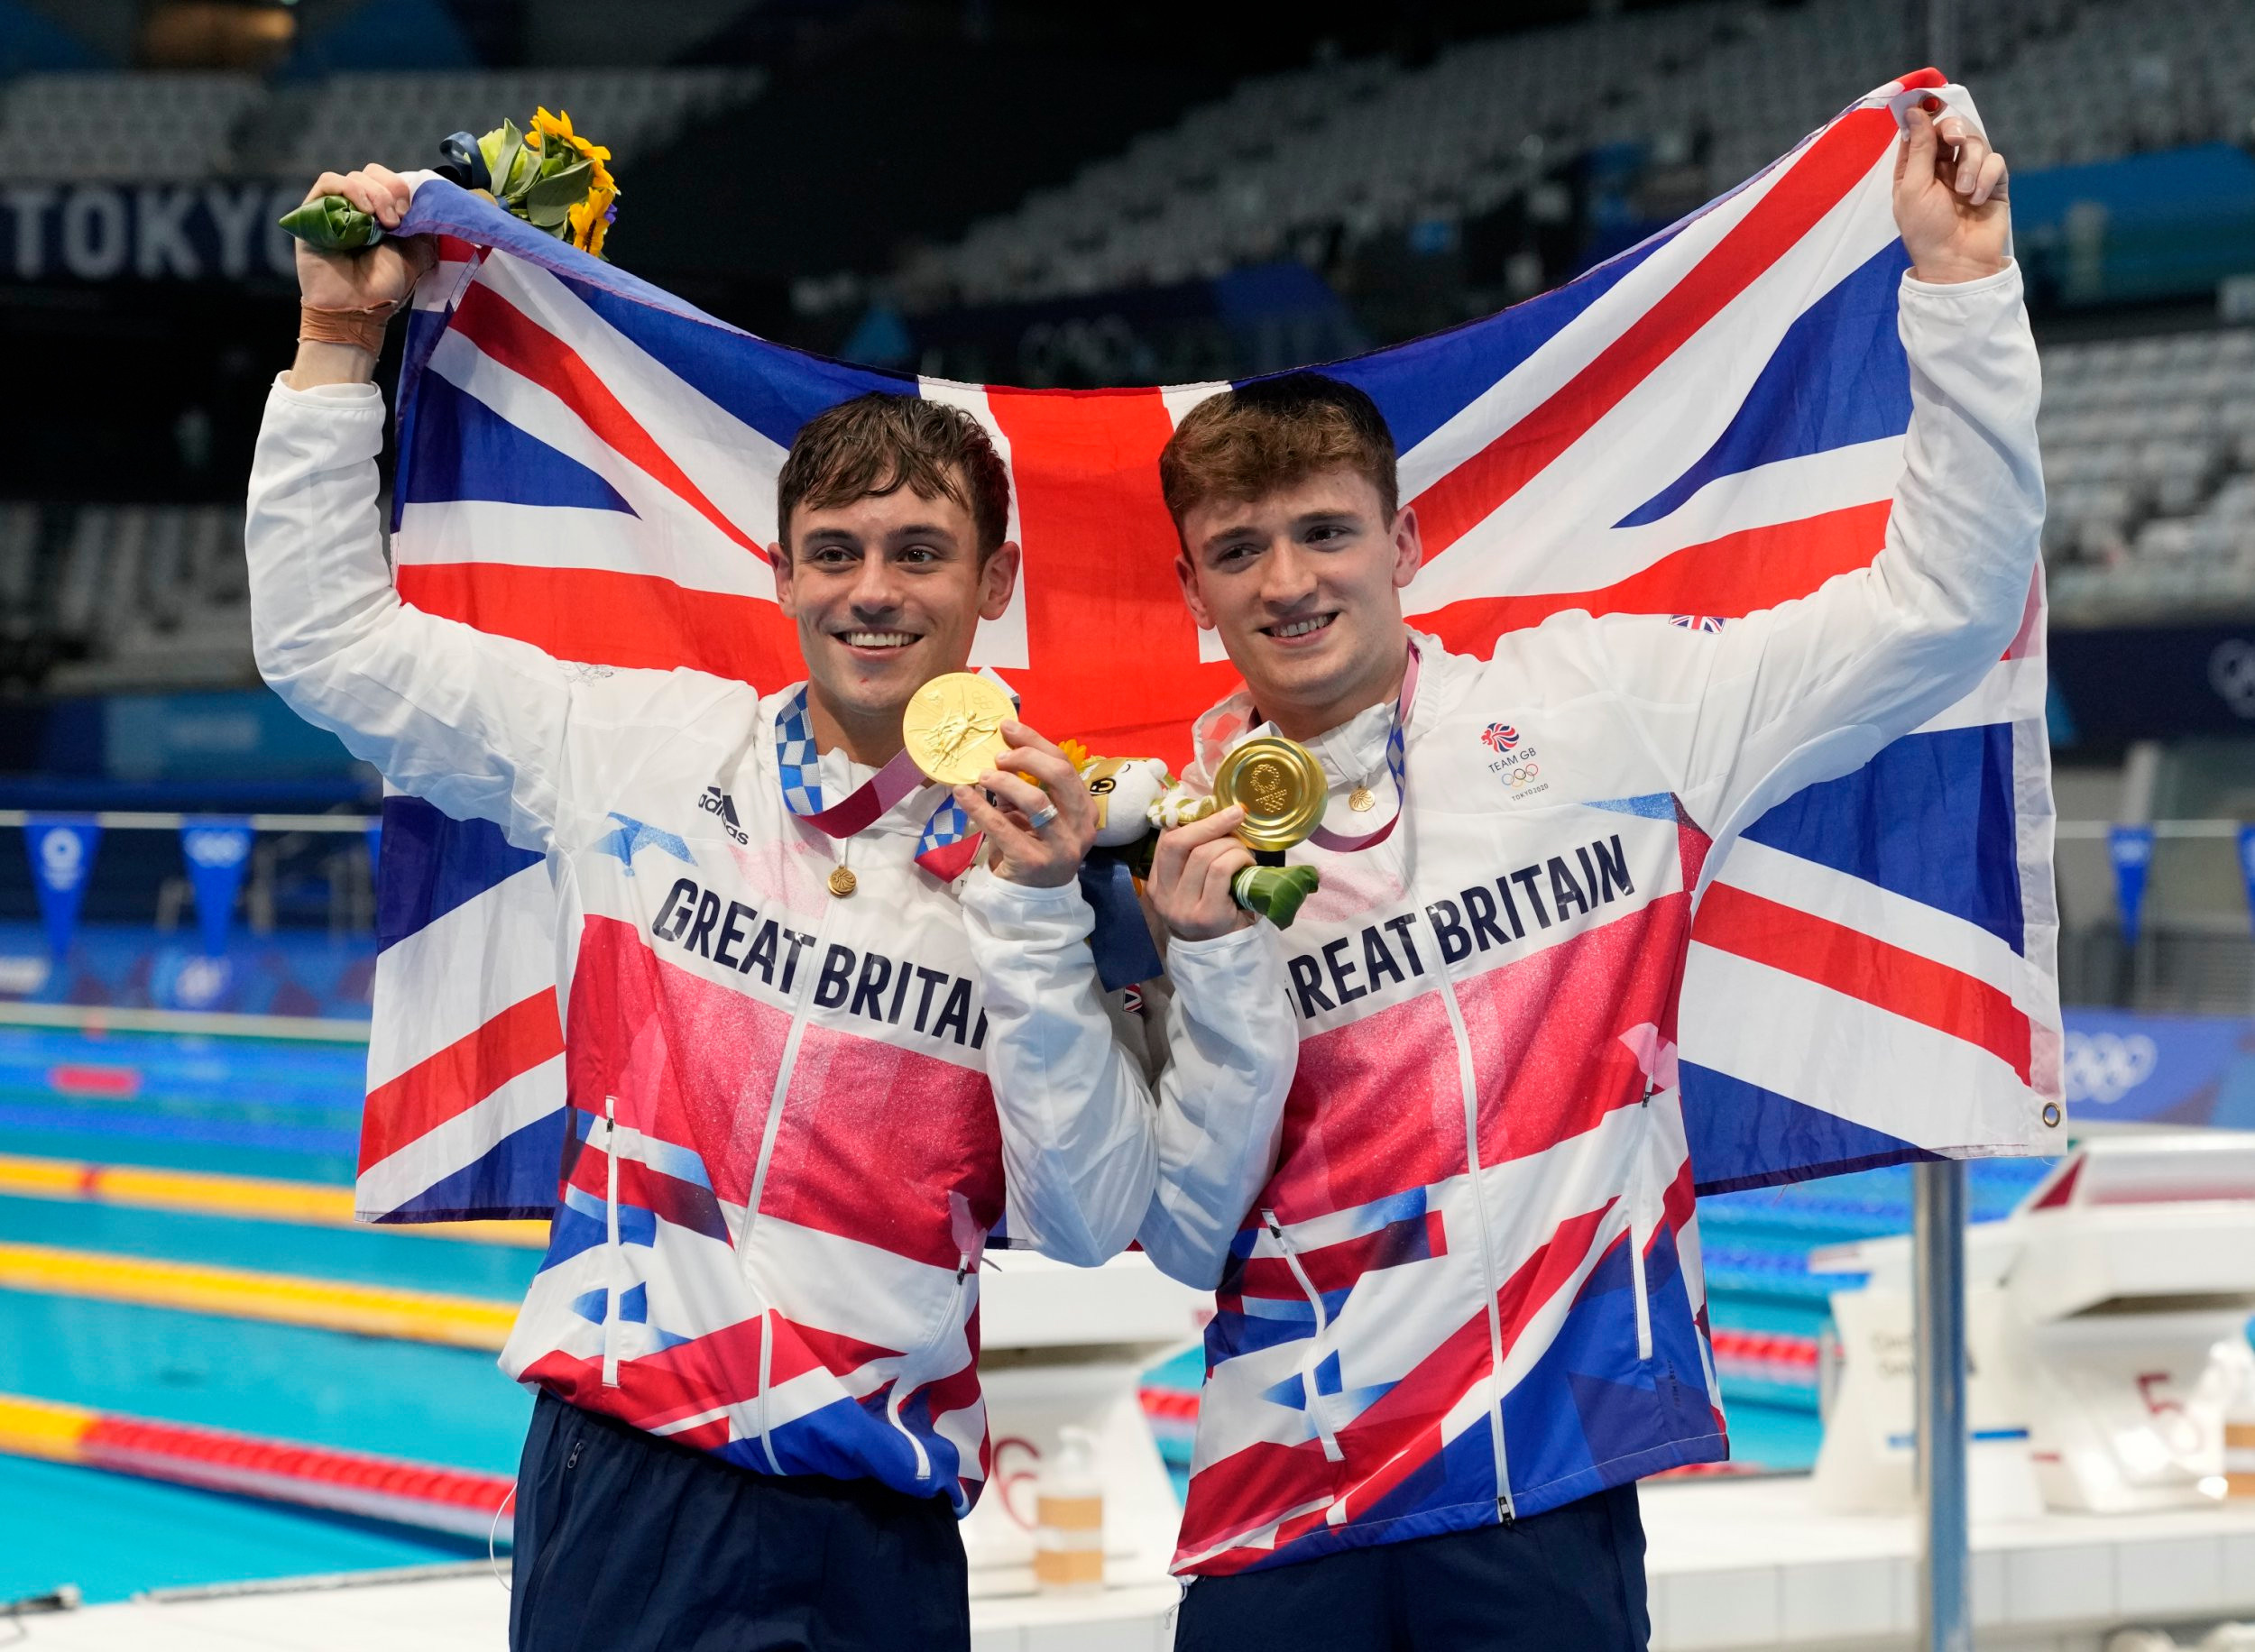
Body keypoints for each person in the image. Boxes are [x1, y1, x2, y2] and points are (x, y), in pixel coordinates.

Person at [245, 161, 1293, 1652]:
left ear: (992, 580)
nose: (877, 591)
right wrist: (337, 349)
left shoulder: (1055, 856)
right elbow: (327, 644)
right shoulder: (639, 751)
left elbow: (1084, 1223)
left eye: (920, 554)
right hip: (630, 1488)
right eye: (840, 553)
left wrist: (1036, 914)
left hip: (878, 1527)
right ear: (782, 571)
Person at [1119, 104, 2027, 1648]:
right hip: (1290, 1508)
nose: (1289, 581)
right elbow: (1180, 1233)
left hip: (1546, 1478)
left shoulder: (1608, 713)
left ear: (1406, 541)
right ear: (1194, 591)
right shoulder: (1159, 838)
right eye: (1241, 550)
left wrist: (1960, 291)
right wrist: (1197, 954)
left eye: (1326, 532)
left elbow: (1945, 605)